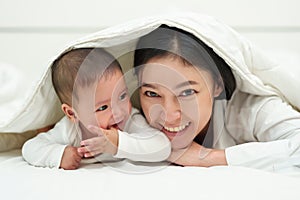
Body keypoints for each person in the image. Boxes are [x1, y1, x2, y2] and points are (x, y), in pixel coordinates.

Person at [133, 25, 300, 172]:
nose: (169, 116)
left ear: (217, 85)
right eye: (152, 93)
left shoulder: (250, 108)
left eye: (187, 93)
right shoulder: (123, 112)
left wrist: (205, 158)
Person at [22, 48, 170, 170]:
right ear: (72, 113)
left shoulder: (130, 119)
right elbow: (30, 148)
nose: (119, 112)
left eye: (122, 96)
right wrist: (59, 154)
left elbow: (162, 146)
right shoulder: (70, 129)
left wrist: (119, 143)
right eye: (103, 107)